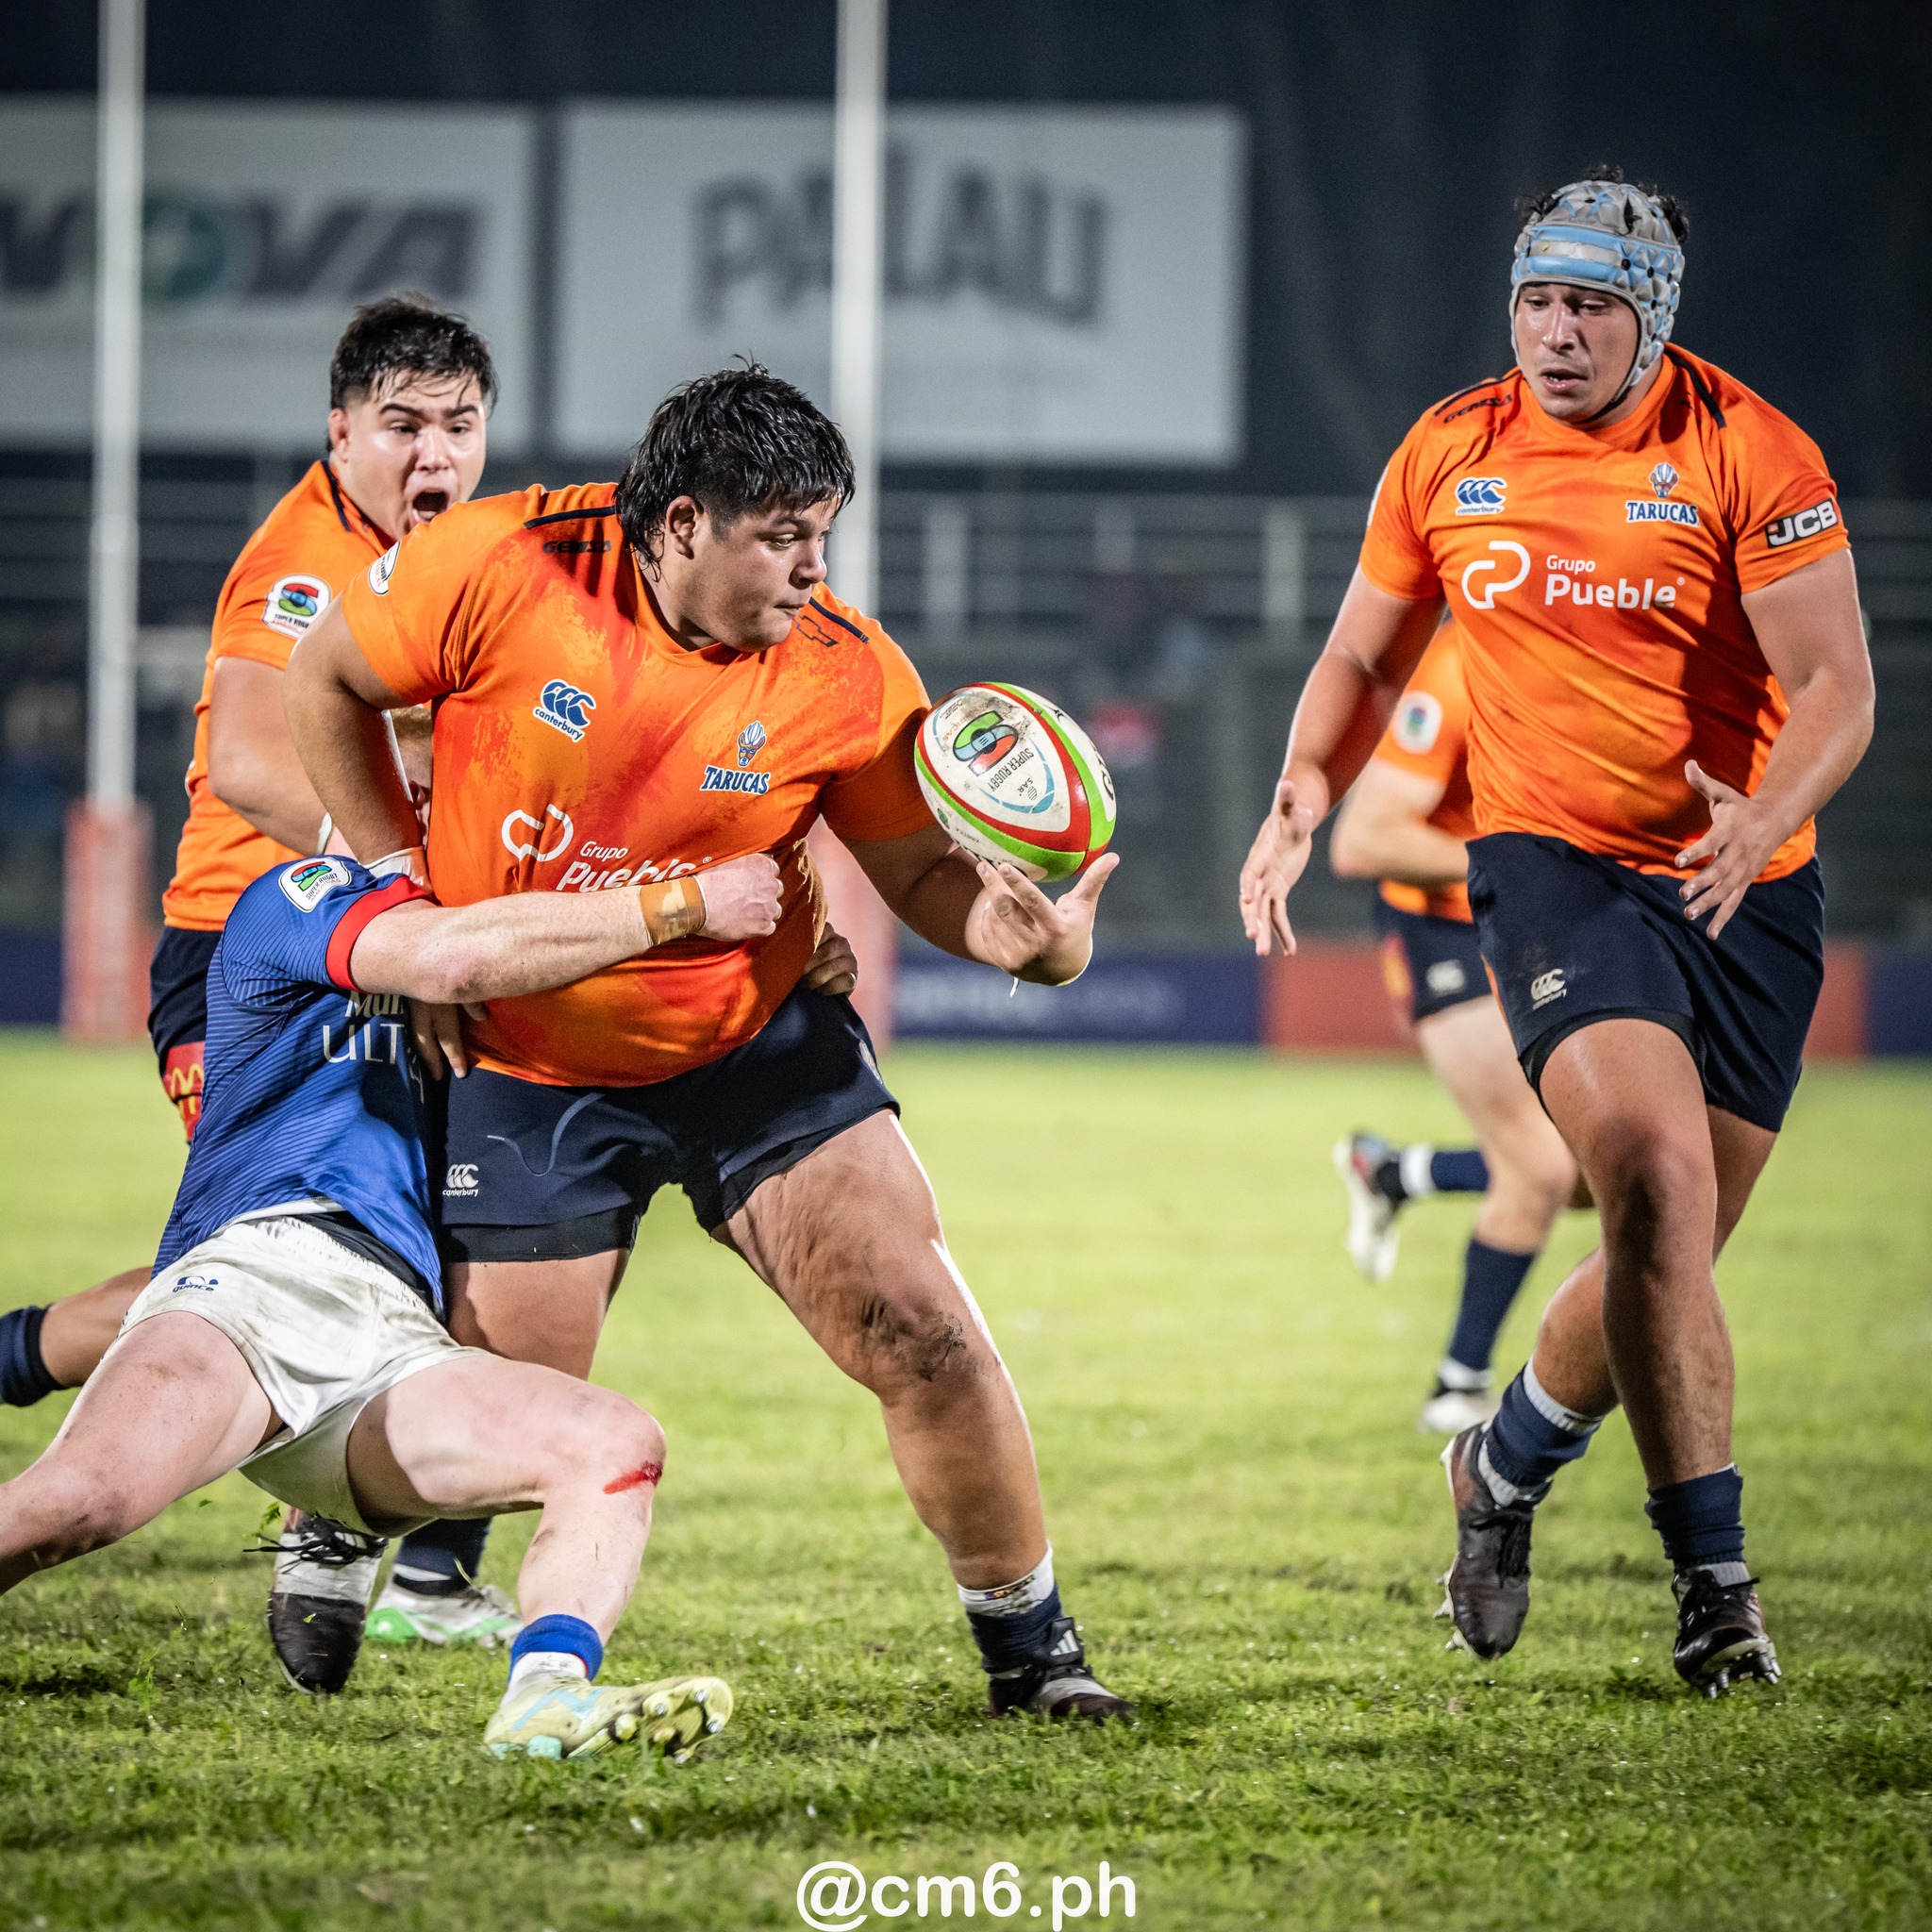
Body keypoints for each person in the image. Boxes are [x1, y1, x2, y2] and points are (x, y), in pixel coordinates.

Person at [282, 364, 1135, 1723]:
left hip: (754, 1040)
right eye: (782, 537)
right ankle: (338, 1519)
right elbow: (321, 677)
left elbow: (921, 876)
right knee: (503, 1401)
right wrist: (403, 909)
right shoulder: (501, 565)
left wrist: (1035, 945)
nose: (814, 569)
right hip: (528, 1057)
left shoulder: (847, 673)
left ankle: (1032, 1650)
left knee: (925, 1331)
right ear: (679, 525)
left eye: (824, 534)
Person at [1240, 170, 1873, 1695]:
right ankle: (1713, 1588)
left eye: (1587, 302)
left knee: (1675, 1245)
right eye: (1534, 298)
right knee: (1642, 1178)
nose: (1553, 330)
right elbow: (1355, 643)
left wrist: (1758, 808)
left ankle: (1499, 1460)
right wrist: (1293, 793)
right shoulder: (1448, 451)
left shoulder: (1746, 449)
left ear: (1648, 313)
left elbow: (1838, 682)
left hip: (1744, 880)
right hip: (1549, 870)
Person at [0, 841, 798, 1756]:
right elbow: (447, 954)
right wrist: (687, 899)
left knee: (615, 1445)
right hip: (260, 1277)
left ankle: (544, 1698)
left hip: (395, 1343)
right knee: (78, 1501)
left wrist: (800, 961)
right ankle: (325, 1559)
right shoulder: (307, 891)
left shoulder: (511, 911)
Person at [0, 294, 526, 1654]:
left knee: (406, 1243)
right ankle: (331, 1546)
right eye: (403, 425)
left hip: (383, 949)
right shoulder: (303, 559)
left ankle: (343, 1540)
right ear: (341, 431)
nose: (436, 453)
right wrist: (413, 876)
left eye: (460, 427)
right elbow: (244, 760)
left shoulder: (463, 555)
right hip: (262, 968)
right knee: (282, 1261)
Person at [1328, 621, 1580, 1432]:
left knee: (1596, 1174)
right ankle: (1456, 1389)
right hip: (1443, 928)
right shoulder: (1468, 657)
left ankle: (1396, 1173)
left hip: (1535, 923)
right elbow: (1364, 840)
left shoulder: (1618, 654)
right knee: (1540, 1168)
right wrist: (1525, 866)